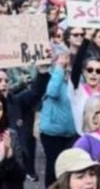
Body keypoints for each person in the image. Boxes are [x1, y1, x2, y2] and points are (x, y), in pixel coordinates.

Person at [40, 45, 79, 188]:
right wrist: (59, 69)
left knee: (67, 167)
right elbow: (53, 92)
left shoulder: (71, 78)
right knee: (53, 165)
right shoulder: (49, 76)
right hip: (52, 131)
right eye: (61, 58)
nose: (65, 61)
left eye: (67, 57)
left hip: (69, 131)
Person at [71, 56, 100, 135]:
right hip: (84, 137)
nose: (94, 74)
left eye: (98, 71)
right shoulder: (77, 91)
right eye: (90, 70)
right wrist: (84, 46)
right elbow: (75, 69)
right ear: (84, 72)